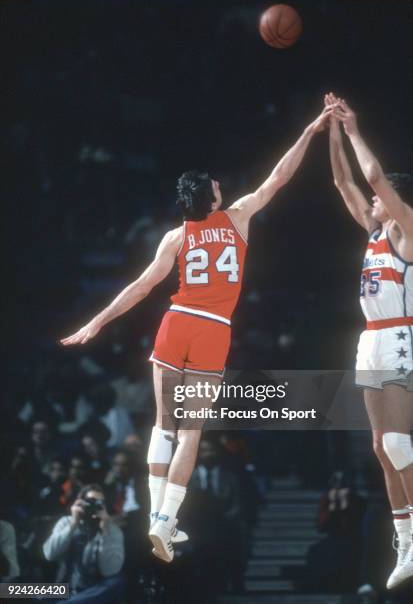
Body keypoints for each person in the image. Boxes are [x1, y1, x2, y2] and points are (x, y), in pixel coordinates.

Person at [60, 102, 336, 562]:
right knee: (191, 432)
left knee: (163, 426)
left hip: (175, 324)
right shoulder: (240, 216)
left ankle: (153, 519)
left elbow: (142, 287)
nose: (222, 186)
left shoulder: (176, 236)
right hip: (213, 331)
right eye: (216, 185)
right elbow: (280, 176)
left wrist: (97, 320)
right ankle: (168, 521)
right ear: (212, 197)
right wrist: (309, 129)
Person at [326, 91, 413, 589]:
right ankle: (404, 542)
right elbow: (343, 180)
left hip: (402, 336)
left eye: (380, 199)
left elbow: (374, 177)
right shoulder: (372, 231)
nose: (372, 198)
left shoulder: (404, 231)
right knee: (381, 446)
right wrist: (332, 129)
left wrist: (356, 128)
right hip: (372, 340)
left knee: (399, 441)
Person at [43, 484, 124, 603]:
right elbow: (49, 554)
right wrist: (73, 523)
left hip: (93, 591)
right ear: (79, 502)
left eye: (99, 503)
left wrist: (105, 530)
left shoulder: (112, 531)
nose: (93, 506)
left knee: (117, 581)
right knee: (14, 590)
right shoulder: (66, 522)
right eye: (89, 501)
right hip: (62, 588)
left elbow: (110, 570)